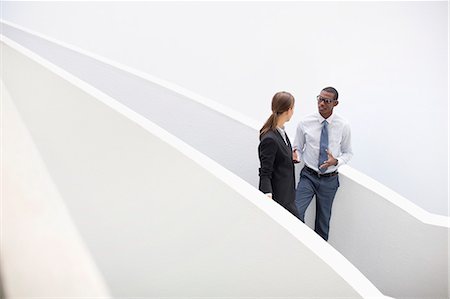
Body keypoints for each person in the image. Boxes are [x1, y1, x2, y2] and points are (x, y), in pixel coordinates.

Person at [293, 87, 352, 241]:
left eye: (326, 101)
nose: (321, 104)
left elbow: (348, 152)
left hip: (330, 180)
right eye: (320, 99)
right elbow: (297, 147)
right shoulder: (305, 122)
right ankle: (303, 245)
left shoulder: (343, 125)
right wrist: (295, 154)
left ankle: (316, 259)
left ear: (335, 103)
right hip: (308, 176)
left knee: (323, 223)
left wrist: (336, 161)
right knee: (296, 212)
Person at [258, 91, 299, 218]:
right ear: (289, 110)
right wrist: (267, 196)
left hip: (288, 197)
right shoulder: (270, 138)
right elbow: (265, 172)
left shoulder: (281, 133)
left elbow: (278, 158)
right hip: (280, 200)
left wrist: (289, 157)